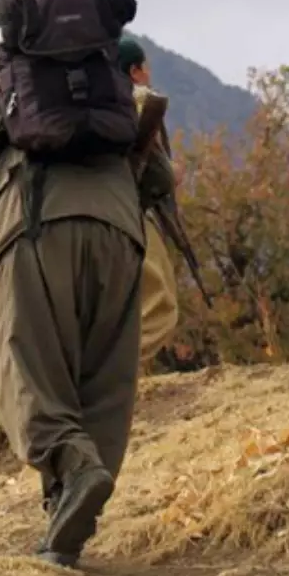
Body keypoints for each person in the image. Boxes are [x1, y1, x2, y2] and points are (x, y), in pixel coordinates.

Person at [0, 0, 155, 569]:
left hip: (35, 227)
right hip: (120, 234)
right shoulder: (114, 82)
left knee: (27, 368)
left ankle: (73, 472)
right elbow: (158, 176)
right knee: (103, 378)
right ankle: (66, 524)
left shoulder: (3, 83)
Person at [118, 36, 181, 364]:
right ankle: (107, 382)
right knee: (160, 308)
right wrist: (172, 173)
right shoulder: (139, 101)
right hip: (127, 215)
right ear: (134, 71)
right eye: (145, 67)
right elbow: (159, 178)